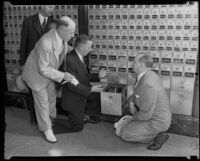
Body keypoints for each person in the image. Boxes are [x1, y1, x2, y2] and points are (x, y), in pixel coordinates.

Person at [22, 16, 78, 143]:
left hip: (49, 73)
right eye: (71, 32)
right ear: (62, 30)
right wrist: (63, 75)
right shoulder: (45, 42)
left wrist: (77, 50)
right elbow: (43, 69)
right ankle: (46, 129)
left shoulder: (60, 36)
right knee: (43, 103)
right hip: (36, 75)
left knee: (52, 97)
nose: (73, 35)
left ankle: (51, 120)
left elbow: (62, 48)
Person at [114, 53, 172, 151]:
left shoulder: (148, 83)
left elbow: (145, 115)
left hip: (156, 121)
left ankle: (158, 135)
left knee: (124, 134)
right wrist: (131, 101)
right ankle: (151, 132)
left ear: (141, 65)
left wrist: (133, 118)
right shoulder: (146, 75)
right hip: (151, 115)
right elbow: (138, 93)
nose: (132, 63)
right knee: (121, 127)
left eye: (135, 62)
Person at [60, 34, 111, 133]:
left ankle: (87, 115)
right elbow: (70, 85)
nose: (90, 49)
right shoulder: (69, 60)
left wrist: (99, 76)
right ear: (82, 47)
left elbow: (84, 75)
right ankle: (49, 124)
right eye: (89, 47)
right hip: (74, 97)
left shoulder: (81, 56)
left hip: (82, 91)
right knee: (77, 128)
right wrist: (91, 89)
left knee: (99, 93)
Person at [20, 5, 56, 125]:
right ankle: (34, 117)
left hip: (49, 64)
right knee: (33, 91)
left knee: (49, 92)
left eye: (54, 7)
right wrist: (22, 64)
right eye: (50, 6)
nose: (52, 8)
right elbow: (23, 43)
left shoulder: (55, 22)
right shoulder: (29, 21)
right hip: (32, 63)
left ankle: (48, 119)